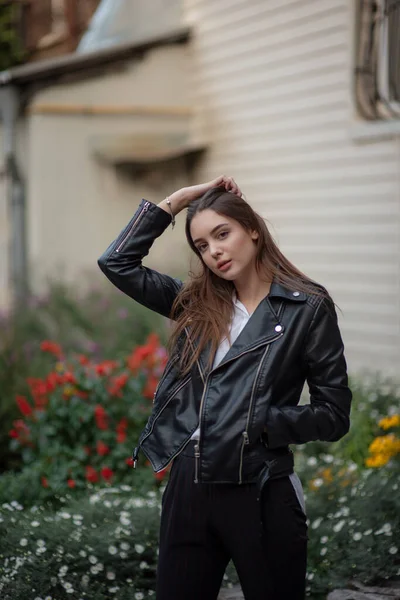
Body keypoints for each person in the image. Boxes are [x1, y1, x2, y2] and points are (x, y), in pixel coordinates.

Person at [97, 175, 352, 600]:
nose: (214, 251)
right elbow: (117, 262)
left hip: (262, 485)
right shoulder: (197, 303)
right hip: (189, 485)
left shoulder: (307, 308)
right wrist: (178, 200)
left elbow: (334, 414)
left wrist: (261, 423)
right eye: (202, 245)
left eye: (222, 233)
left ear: (252, 229)